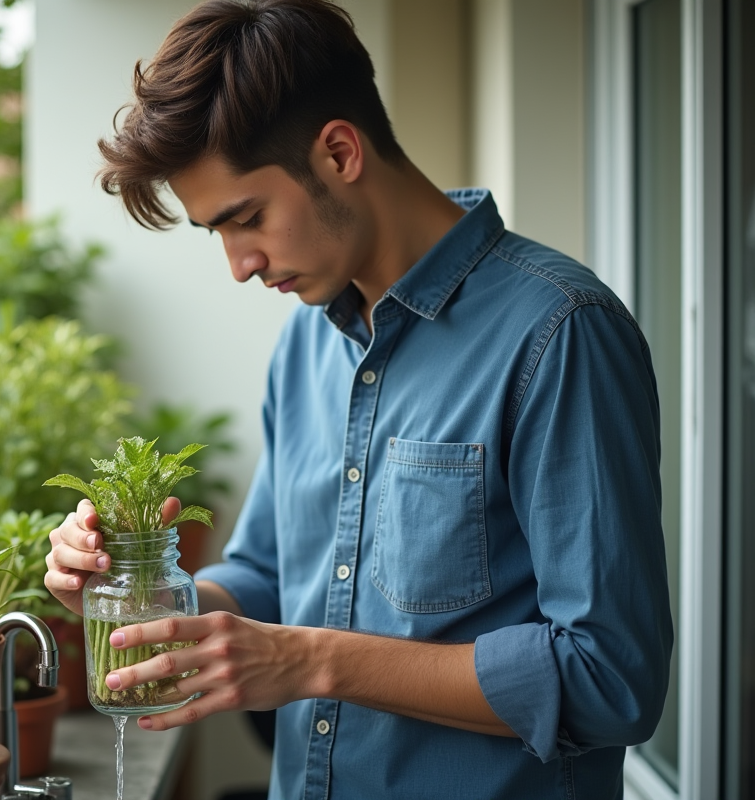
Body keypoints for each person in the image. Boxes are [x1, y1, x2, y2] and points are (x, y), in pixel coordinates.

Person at [42, 1, 674, 797]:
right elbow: (270, 577)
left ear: (339, 152)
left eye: (247, 219)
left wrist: (309, 659)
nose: (240, 265)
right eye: (217, 234)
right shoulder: (306, 343)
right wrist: (140, 598)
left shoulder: (560, 334)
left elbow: (611, 679)